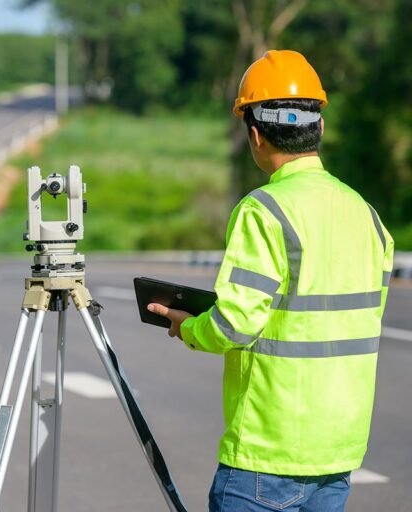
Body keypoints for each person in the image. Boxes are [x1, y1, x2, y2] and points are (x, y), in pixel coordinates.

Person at [149, 49, 394, 512]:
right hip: (338, 452)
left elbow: (235, 324)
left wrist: (190, 326)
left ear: (254, 135)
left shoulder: (264, 211)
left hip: (266, 453)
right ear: (319, 127)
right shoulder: (368, 215)